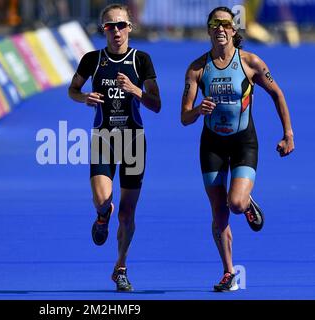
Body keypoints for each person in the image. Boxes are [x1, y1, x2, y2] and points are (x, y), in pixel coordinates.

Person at [181, 6, 294, 292]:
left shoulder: (250, 62)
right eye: (214, 24)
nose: (220, 28)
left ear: (234, 30)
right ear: (208, 30)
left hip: (243, 141)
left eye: (225, 24)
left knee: (237, 204)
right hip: (212, 145)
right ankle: (229, 272)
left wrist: (288, 134)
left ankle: (247, 201)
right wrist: (198, 110)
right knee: (219, 214)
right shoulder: (197, 68)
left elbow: (277, 94)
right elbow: (184, 117)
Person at [68, 3, 161, 291]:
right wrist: (85, 98)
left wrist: (136, 91)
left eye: (121, 25)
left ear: (130, 28)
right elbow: (72, 90)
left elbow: (156, 105)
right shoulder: (92, 59)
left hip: (133, 142)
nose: (116, 31)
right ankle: (101, 216)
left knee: (127, 214)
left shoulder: (141, 60)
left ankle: (120, 266)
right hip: (103, 140)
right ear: (103, 30)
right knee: (103, 199)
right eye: (110, 26)